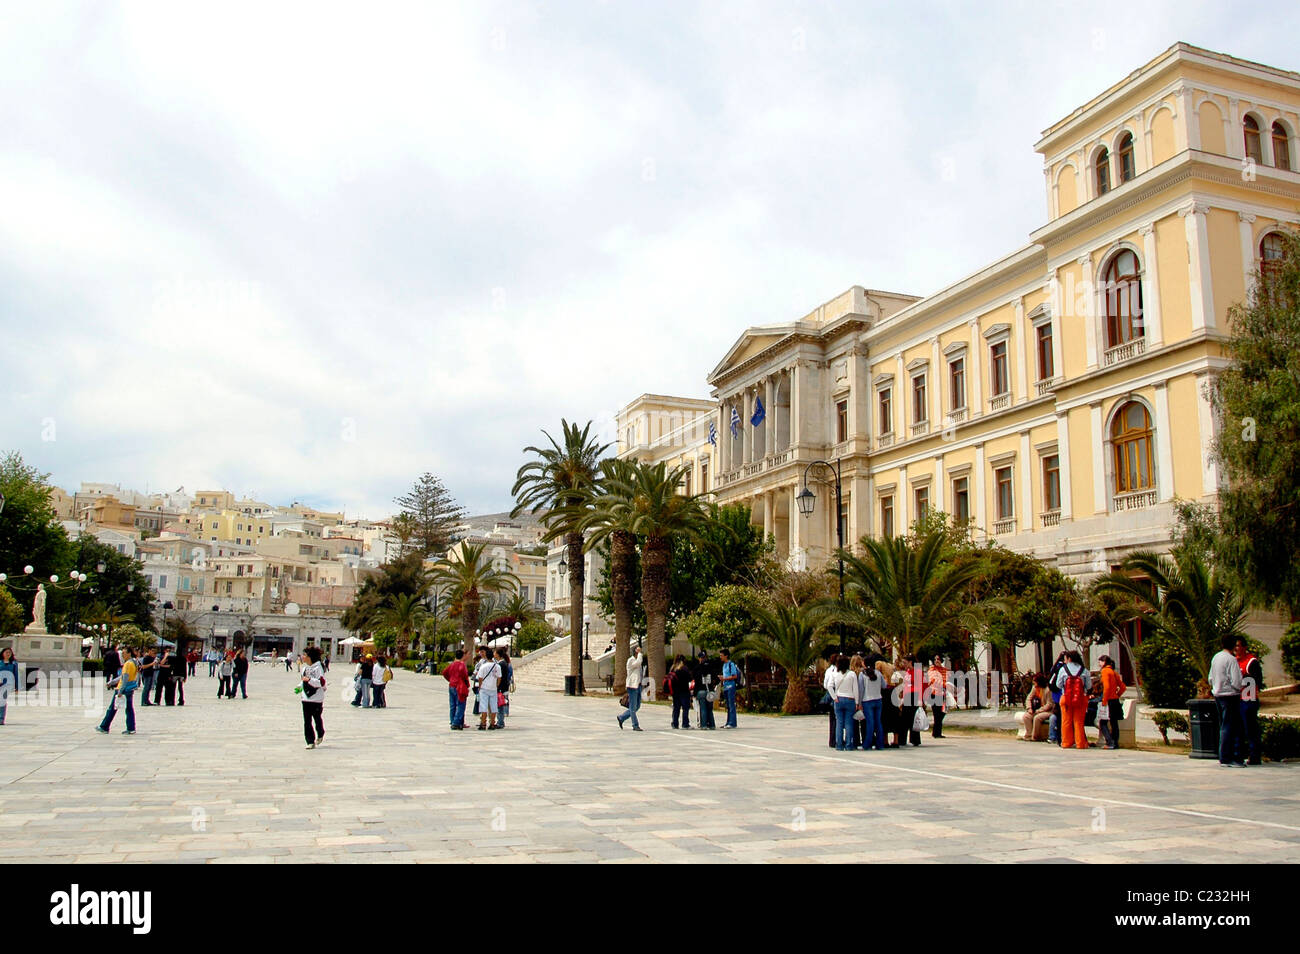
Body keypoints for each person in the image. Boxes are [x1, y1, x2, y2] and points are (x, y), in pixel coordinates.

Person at [1209, 635, 1246, 767]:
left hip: (1218, 695)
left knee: (1224, 725)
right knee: (1231, 727)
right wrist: (1239, 688)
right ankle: (1229, 757)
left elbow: (1211, 678)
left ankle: (1224, 756)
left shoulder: (1216, 657)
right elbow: (1236, 680)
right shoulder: (1231, 660)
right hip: (1230, 696)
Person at [1052, 650, 1091, 750]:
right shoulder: (1084, 670)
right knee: (1078, 722)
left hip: (1066, 698)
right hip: (1080, 699)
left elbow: (1058, 685)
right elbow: (1089, 686)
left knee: (1066, 721)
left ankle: (1066, 742)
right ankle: (1080, 743)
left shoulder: (1063, 669)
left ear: (1069, 659)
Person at [96, 646, 140, 735]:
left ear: (129, 653)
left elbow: (124, 679)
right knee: (129, 709)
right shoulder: (135, 662)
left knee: (112, 708)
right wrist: (112, 682)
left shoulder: (128, 664)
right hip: (130, 688)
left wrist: (120, 691)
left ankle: (104, 726)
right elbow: (123, 676)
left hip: (123, 688)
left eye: (124, 653)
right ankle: (131, 727)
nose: (122, 655)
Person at [1235, 636, 1264, 766]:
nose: (1236, 649)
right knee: (1238, 731)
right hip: (1237, 700)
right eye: (1234, 646)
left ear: (1244, 647)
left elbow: (1257, 681)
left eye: (1238, 646)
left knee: (1251, 730)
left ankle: (1255, 757)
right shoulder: (1234, 661)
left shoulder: (1251, 662)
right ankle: (1238, 756)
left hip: (1248, 700)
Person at [1096, 655, 1127, 749]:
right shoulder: (1113, 672)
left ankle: (1109, 742)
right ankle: (1115, 742)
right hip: (1115, 700)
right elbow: (1123, 687)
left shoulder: (1105, 671)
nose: (1099, 664)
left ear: (1104, 661)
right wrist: (1117, 695)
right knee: (1114, 722)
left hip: (1108, 700)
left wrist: (1104, 700)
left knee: (1103, 722)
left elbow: (1107, 687)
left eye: (1100, 662)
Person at [300, 646, 327, 749]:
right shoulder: (304, 668)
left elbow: (321, 682)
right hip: (305, 698)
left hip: (316, 699)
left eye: (305, 655)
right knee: (307, 720)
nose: (303, 657)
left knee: (317, 718)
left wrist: (309, 680)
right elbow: (303, 680)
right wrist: (299, 687)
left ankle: (320, 733)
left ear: (310, 657)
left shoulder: (318, 667)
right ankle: (310, 741)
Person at [830, 656, 859, 750]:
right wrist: (857, 702)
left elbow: (829, 686)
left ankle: (839, 744)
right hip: (850, 699)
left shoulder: (835, 674)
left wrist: (834, 697)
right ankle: (849, 744)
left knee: (839, 722)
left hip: (838, 699)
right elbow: (855, 689)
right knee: (849, 723)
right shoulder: (852, 674)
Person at [860, 654, 886, 750]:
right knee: (878, 722)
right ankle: (880, 743)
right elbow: (884, 685)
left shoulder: (863, 674)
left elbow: (861, 689)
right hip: (878, 699)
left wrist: (859, 703)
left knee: (870, 723)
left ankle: (867, 743)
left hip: (867, 700)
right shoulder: (878, 673)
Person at [1017, 675, 1054, 741]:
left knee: (1037, 718)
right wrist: (1029, 708)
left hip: (1048, 711)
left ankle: (1035, 736)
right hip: (1036, 709)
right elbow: (1029, 698)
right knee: (1026, 716)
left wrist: (1039, 710)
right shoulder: (1035, 688)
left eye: (1035, 681)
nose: (1033, 683)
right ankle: (1029, 735)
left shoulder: (1047, 690)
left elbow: (1049, 704)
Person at [474, 647, 501, 730]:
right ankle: (492, 723)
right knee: (493, 706)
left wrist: (480, 686)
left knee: (483, 706)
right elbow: (499, 677)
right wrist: (496, 685)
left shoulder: (483, 666)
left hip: (484, 688)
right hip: (493, 688)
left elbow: (480, 678)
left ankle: (483, 723)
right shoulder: (497, 666)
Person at [617, 644, 644, 731]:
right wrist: (640, 654)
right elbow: (639, 662)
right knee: (633, 706)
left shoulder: (637, 661)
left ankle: (622, 717)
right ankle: (635, 725)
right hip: (632, 686)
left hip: (638, 685)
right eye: (638, 651)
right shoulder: (631, 661)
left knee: (637, 706)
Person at [898, 656, 924, 747]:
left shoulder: (917, 672)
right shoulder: (907, 672)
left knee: (913, 718)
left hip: (914, 696)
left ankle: (915, 739)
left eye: (905, 662)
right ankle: (901, 739)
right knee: (904, 719)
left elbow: (920, 686)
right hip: (907, 696)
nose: (903, 664)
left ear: (910, 662)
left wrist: (920, 699)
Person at [443, 649, 470, 730]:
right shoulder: (462, 665)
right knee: (461, 705)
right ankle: (456, 722)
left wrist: (450, 679)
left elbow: (445, 672)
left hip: (451, 685)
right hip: (459, 686)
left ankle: (452, 720)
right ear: (462, 656)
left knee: (453, 705)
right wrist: (467, 684)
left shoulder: (452, 664)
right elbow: (465, 675)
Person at [876, 655, 899, 747]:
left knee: (884, 718)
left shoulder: (880, 670)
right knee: (894, 718)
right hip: (893, 694)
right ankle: (896, 740)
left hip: (884, 696)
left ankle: (885, 740)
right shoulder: (892, 670)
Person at [1046, 652, 1067, 744]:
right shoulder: (1063, 668)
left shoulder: (1055, 666)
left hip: (1055, 695)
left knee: (1057, 716)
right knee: (1063, 717)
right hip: (1062, 695)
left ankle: (1055, 737)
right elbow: (1060, 683)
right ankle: (1062, 737)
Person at [927, 656, 950, 738]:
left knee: (942, 713)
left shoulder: (945, 670)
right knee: (936, 714)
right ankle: (936, 733)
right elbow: (934, 680)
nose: (937, 661)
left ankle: (937, 732)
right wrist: (943, 684)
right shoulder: (932, 670)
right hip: (934, 694)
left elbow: (948, 680)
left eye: (938, 659)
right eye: (935, 659)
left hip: (943, 694)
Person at [669, 655, 693, 729]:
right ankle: (685, 724)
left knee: (676, 708)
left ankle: (675, 723)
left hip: (675, 692)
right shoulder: (684, 669)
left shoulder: (672, 669)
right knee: (685, 708)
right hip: (684, 690)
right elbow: (690, 678)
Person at [695, 650, 716, 730]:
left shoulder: (697, 668)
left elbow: (695, 679)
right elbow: (716, 679)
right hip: (710, 690)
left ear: (699, 658)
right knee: (710, 709)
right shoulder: (710, 667)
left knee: (703, 708)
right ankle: (712, 725)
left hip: (701, 690)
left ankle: (703, 725)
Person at [720, 649, 741, 729]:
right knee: (728, 705)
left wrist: (724, 679)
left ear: (726, 656)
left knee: (731, 704)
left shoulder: (731, 664)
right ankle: (728, 721)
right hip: (725, 686)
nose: (720, 657)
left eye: (722, 655)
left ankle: (732, 722)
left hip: (731, 686)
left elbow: (734, 676)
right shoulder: (724, 665)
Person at [0, 647, 19, 726]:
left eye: (9, 653)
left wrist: (17, 687)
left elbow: (16, 675)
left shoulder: (14, 663)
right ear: (2, 653)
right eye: (6, 652)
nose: (8, 654)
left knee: (2, 701)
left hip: (7, 685)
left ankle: (1, 719)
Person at [495, 649, 513, 728]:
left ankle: (500, 722)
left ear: (498, 654)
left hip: (501, 688)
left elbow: (500, 677)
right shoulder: (503, 663)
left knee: (500, 705)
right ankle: (500, 721)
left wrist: (498, 687)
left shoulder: (501, 664)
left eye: (495, 653)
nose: (494, 654)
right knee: (500, 704)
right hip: (503, 687)